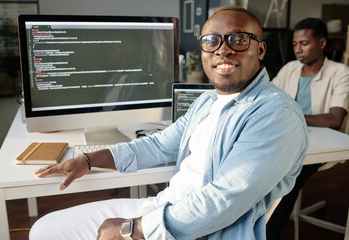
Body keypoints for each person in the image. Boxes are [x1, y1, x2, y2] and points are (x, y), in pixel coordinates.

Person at [30, 7, 308, 240]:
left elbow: (222, 201)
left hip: (202, 231)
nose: (223, 50)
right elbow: (159, 144)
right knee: (44, 229)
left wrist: (132, 229)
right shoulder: (208, 101)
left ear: (260, 49)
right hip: (165, 208)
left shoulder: (276, 114)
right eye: (212, 41)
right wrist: (88, 160)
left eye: (238, 39)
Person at [267, 18, 349, 240]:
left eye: (304, 43)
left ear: (322, 43)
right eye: (294, 44)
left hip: (321, 144)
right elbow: (267, 99)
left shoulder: (340, 72)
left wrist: (292, 116)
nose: (298, 50)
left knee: (287, 174)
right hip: (285, 137)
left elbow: (334, 119)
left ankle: (268, 234)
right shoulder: (290, 69)